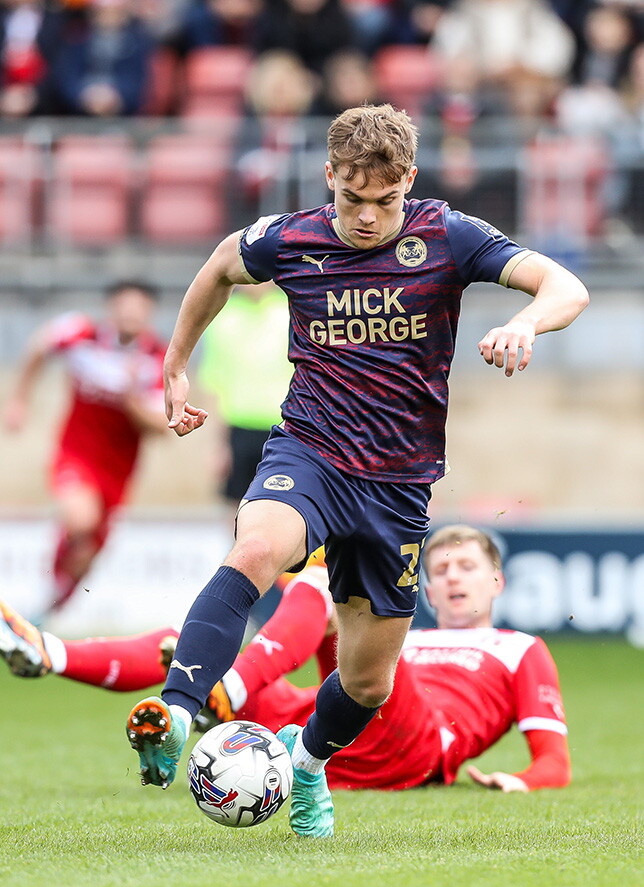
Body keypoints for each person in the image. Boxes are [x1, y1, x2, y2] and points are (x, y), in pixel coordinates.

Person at [124, 103, 587, 838]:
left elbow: (566, 286)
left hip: (398, 483)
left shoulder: (448, 235)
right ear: (329, 176)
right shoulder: (290, 238)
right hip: (308, 450)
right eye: (352, 198)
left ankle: (308, 765)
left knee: (369, 682)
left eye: (385, 200)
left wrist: (524, 321)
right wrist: (176, 364)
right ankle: (177, 712)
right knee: (254, 549)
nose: (368, 217)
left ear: (410, 180)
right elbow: (218, 268)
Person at [0, 526, 571, 793]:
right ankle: (48, 652)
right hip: (321, 736)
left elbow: (554, 762)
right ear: (425, 587)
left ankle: (231, 691)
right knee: (193, 646)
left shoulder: (520, 647)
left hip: (415, 747)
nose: (452, 578)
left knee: (329, 587)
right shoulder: (406, 638)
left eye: (467, 567)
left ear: (497, 581)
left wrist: (519, 782)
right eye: (440, 569)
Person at [2, 280, 168, 620]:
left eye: (139, 309)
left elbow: (160, 427)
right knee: (81, 520)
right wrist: (20, 399)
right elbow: (39, 346)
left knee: (90, 549)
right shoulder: (82, 334)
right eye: (125, 306)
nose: (131, 314)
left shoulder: (157, 358)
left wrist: (130, 398)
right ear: (111, 308)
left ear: (149, 314)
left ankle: (45, 612)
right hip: (75, 454)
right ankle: (53, 571)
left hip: (118, 472)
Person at [196, 281, 293, 509]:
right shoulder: (223, 317)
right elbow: (213, 382)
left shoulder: (292, 311)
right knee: (237, 504)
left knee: (284, 504)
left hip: (286, 427)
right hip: (237, 426)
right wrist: (217, 446)